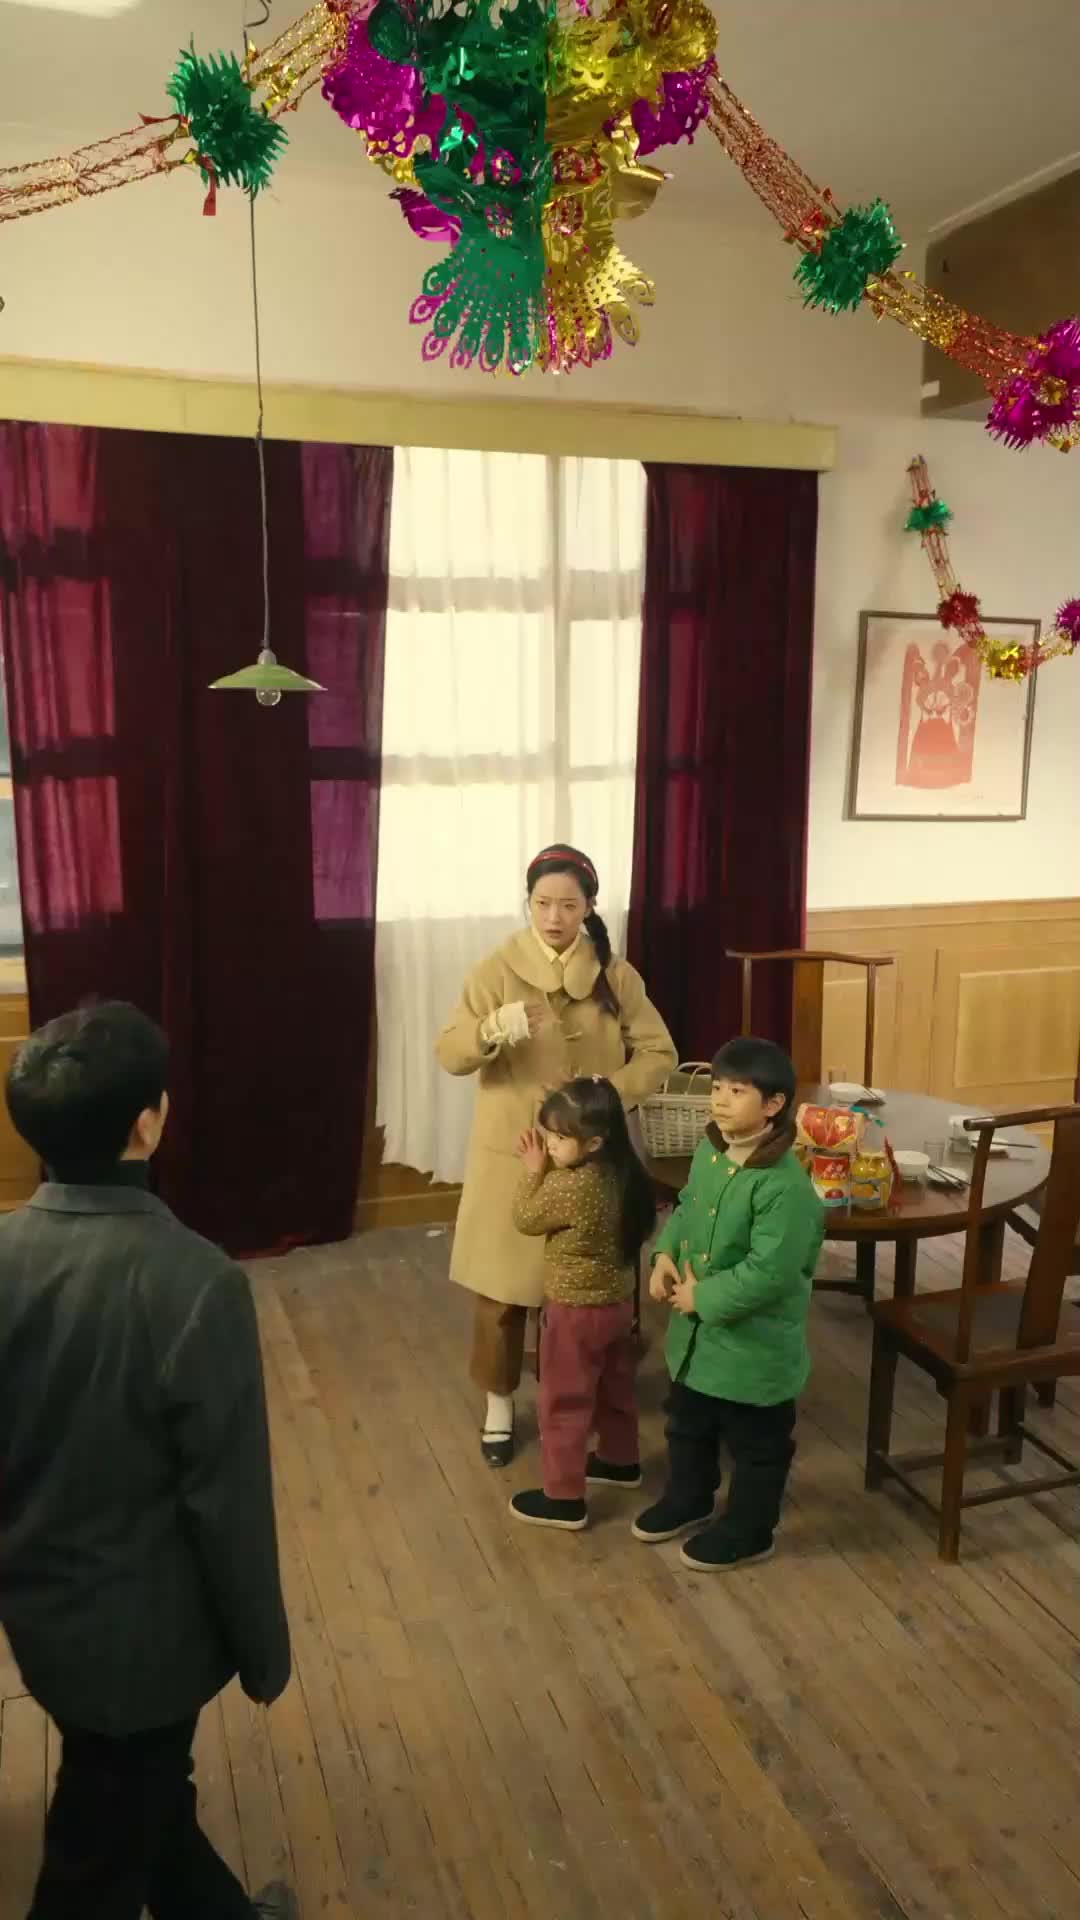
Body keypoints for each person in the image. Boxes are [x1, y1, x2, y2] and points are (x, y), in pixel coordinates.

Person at [0, 1001, 296, 1920]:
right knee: (93, 1860)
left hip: (41, 1617)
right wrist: (264, 1653)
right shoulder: (197, 1282)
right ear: (148, 1124)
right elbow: (227, 1502)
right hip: (145, 1644)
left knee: (145, 1796)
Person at [437, 845, 676, 1466]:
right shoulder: (496, 969)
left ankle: (579, 1401)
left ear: (589, 907)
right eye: (543, 903)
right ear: (528, 903)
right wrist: (492, 1029)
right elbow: (450, 1052)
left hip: (594, 1160)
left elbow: (660, 1054)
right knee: (501, 1292)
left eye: (569, 905)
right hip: (512, 1155)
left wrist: (605, 1093)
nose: (554, 917)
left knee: (587, 1290)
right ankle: (498, 1406)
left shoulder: (615, 975)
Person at [633, 1036, 824, 1573]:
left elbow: (771, 1272)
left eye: (737, 1091)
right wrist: (665, 1255)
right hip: (697, 1343)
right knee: (687, 1425)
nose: (719, 1099)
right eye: (717, 1087)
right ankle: (689, 1498)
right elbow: (687, 1208)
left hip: (754, 1351)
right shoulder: (710, 1150)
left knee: (757, 1445)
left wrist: (703, 1297)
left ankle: (750, 1530)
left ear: (773, 1104)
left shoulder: (785, 1188)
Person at [507, 1077, 656, 1531]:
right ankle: (620, 1460)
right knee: (614, 1387)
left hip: (574, 1312)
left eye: (559, 1137)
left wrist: (533, 1170)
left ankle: (564, 1497)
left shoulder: (569, 1186)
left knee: (564, 1402)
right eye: (548, 1134)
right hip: (617, 1305)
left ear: (594, 1141)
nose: (550, 1145)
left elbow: (525, 1218)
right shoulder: (622, 1172)